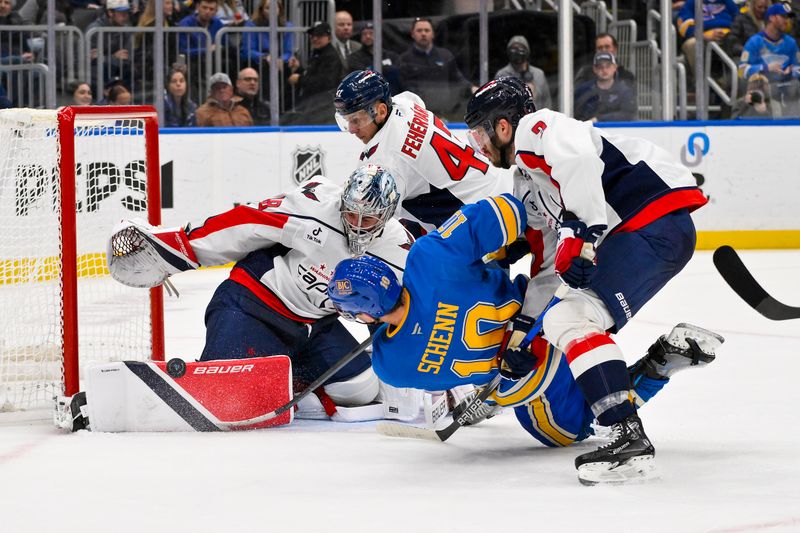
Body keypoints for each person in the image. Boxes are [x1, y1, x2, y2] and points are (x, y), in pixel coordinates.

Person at [327, 195, 723, 484]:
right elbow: (511, 209)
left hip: (534, 379)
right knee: (585, 347)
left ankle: (659, 364)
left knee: (570, 431)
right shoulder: (429, 256)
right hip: (551, 312)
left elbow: (454, 371)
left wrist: (487, 398)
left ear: (365, 312)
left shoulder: (390, 364)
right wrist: (501, 252)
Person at [463, 76, 710, 484]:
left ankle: (627, 438)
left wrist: (579, 232)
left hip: (648, 222)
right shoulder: (527, 182)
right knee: (567, 318)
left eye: (479, 134)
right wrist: (526, 338)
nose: (479, 146)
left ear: (502, 126)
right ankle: (632, 415)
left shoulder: (537, 128)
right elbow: (546, 270)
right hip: (651, 235)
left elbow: (579, 161)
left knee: (570, 319)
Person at [107, 166, 411, 419]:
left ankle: (285, 376)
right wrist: (181, 248)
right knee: (225, 395)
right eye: (351, 214)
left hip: (314, 327)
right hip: (252, 305)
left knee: (358, 389)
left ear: (386, 217)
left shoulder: (399, 249)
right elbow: (245, 223)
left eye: (367, 219)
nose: (356, 225)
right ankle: (175, 387)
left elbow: (415, 302)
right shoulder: (315, 209)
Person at [333, 69, 511, 237]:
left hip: (477, 219)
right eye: (346, 121)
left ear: (381, 111)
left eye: (356, 120)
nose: (351, 129)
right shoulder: (405, 103)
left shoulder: (386, 163)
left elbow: (368, 223)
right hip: (493, 185)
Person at [398, 17, 476, 120]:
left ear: (433, 34)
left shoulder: (445, 56)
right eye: (419, 30)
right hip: (416, 116)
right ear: (412, 34)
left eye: (427, 30)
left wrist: (471, 88)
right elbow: (403, 88)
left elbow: (457, 78)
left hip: (444, 115)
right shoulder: (405, 59)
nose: (423, 34)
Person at [739, 2, 800, 113]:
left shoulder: (791, 43)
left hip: (787, 90)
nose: (787, 21)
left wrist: (792, 72)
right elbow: (742, 70)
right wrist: (765, 68)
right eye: (783, 17)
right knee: (755, 94)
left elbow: (798, 67)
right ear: (772, 18)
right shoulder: (755, 41)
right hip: (763, 90)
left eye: (788, 18)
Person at [287, 21, 345, 124]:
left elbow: (326, 82)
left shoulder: (330, 56)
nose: (314, 38)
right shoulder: (318, 53)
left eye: (319, 35)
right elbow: (313, 75)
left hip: (324, 106)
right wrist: (299, 69)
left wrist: (299, 79)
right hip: (315, 104)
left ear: (329, 37)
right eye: (312, 35)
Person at [678, 0, 740, 72]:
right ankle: (700, 81)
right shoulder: (691, 2)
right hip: (702, 38)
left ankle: (726, 80)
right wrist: (705, 36)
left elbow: (739, 20)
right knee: (692, 44)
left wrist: (731, 34)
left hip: (728, 36)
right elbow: (684, 26)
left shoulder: (728, 2)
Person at [574, 52, 637, 122]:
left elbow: (627, 115)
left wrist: (599, 119)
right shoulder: (584, 90)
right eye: (600, 67)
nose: (604, 70)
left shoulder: (625, 91)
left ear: (615, 67)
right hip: (588, 131)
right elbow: (576, 115)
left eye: (608, 66)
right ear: (595, 69)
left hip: (617, 132)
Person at [494, 35, 552, 110]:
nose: (516, 52)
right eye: (513, 49)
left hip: (536, 119)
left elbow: (547, 102)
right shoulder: (502, 75)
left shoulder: (538, 74)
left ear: (527, 51)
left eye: (520, 48)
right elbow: (497, 104)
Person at [346, 21, 403, 95]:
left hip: (393, 97)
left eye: (371, 33)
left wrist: (372, 69)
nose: (368, 36)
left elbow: (399, 74)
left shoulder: (392, 56)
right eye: (364, 34)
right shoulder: (355, 58)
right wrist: (387, 69)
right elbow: (362, 77)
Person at [86, 0, 133, 86]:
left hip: (119, 69)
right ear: (110, 13)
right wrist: (113, 57)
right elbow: (93, 59)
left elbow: (127, 56)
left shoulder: (127, 29)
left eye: (126, 12)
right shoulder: (95, 30)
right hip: (98, 72)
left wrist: (106, 57)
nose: (125, 16)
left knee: (129, 69)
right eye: (121, 12)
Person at [242, 0, 294, 66]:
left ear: (280, 9)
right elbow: (248, 51)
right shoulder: (251, 25)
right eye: (267, 8)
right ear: (262, 11)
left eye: (275, 7)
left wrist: (281, 59)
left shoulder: (287, 26)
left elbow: (288, 51)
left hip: (280, 61)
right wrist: (266, 57)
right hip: (258, 62)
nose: (272, 10)